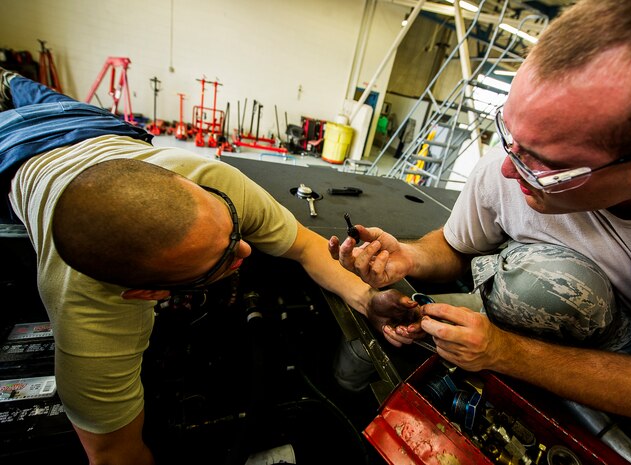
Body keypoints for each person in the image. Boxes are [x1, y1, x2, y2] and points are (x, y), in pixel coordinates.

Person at [0, 70, 415, 465]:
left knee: (25, 88)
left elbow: (306, 246)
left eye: (233, 229)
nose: (249, 250)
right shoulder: (87, 315)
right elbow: (113, 455)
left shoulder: (212, 180)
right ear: (149, 293)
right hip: (13, 145)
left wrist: (366, 298)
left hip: (94, 125)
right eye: (223, 259)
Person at [330, 0, 631, 433]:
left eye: (541, 162)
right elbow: (454, 246)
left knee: (546, 285)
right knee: (538, 285)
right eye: (509, 133)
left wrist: (506, 352)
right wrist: (409, 257)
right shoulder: (505, 167)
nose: (509, 168)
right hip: (562, 322)